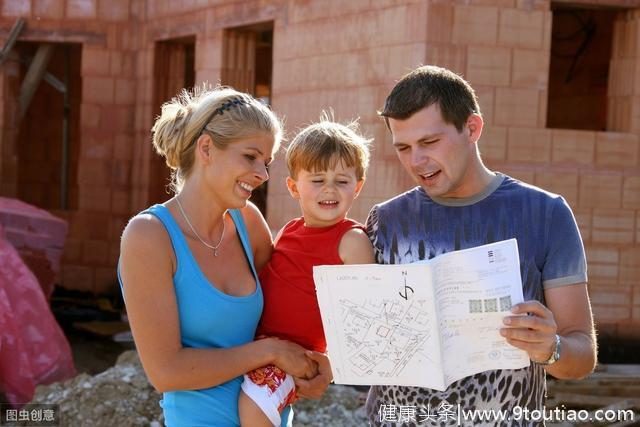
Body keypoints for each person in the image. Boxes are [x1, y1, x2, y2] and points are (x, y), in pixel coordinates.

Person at [365, 65, 597, 426]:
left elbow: (582, 355)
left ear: (472, 129)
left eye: (429, 142)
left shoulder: (546, 213)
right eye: (403, 148)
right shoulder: (385, 220)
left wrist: (551, 349)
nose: (416, 161)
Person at [118, 86, 327, 427]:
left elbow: (290, 313)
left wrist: (321, 362)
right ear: (206, 148)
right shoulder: (149, 236)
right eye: (250, 157)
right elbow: (166, 372)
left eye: (267, 162)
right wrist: (269, 352)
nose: (263, 174)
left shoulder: (249, 224)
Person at [238, 115, 375, 426]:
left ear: (358, 187)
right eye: (317, 180)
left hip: (294, 357)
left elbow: (367, 316)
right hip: (255, 345)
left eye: (342, 181)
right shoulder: (288, 230)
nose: (330, 190)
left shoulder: (351, 241)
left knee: (253, 411)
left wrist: (331, 364)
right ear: (293, 187)